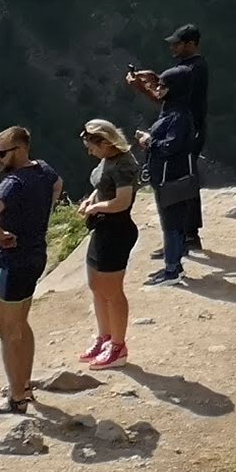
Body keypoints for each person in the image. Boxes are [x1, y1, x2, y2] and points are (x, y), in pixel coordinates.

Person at [0, 126, 60, 416]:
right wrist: (41, 216)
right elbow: (58, 184)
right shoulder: (44, 171)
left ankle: (16, 399)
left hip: (10, 263)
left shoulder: (13, 183)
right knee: (22, 324)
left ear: (21, 150)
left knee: (8, 331)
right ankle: (23, 385)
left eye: (2, 154)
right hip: (35, 256)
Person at [127, 24, 210, 280]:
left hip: (181, 135)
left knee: (176, 186)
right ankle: (187, 236)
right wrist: (156, 78)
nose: (173, 47)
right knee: (186, 181)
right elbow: (169, 92)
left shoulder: (185, 73)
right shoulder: (195, 68)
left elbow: (164, 97)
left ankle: (179, 241)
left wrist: (142, 87)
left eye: (177, 43)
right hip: (191, 131)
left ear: (191, 43)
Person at [74, 119, 141, 366]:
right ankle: (105, 337)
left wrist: (95, 207)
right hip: (102, 229)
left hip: (117, 231)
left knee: (113, 291)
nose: (90, 152)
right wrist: (91, 200)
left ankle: (118, 347)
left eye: (92, 147)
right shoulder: (108, 159)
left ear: (105, 142)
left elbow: (122, 201)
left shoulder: (124, 164)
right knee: (96, 285)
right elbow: (102, 185)